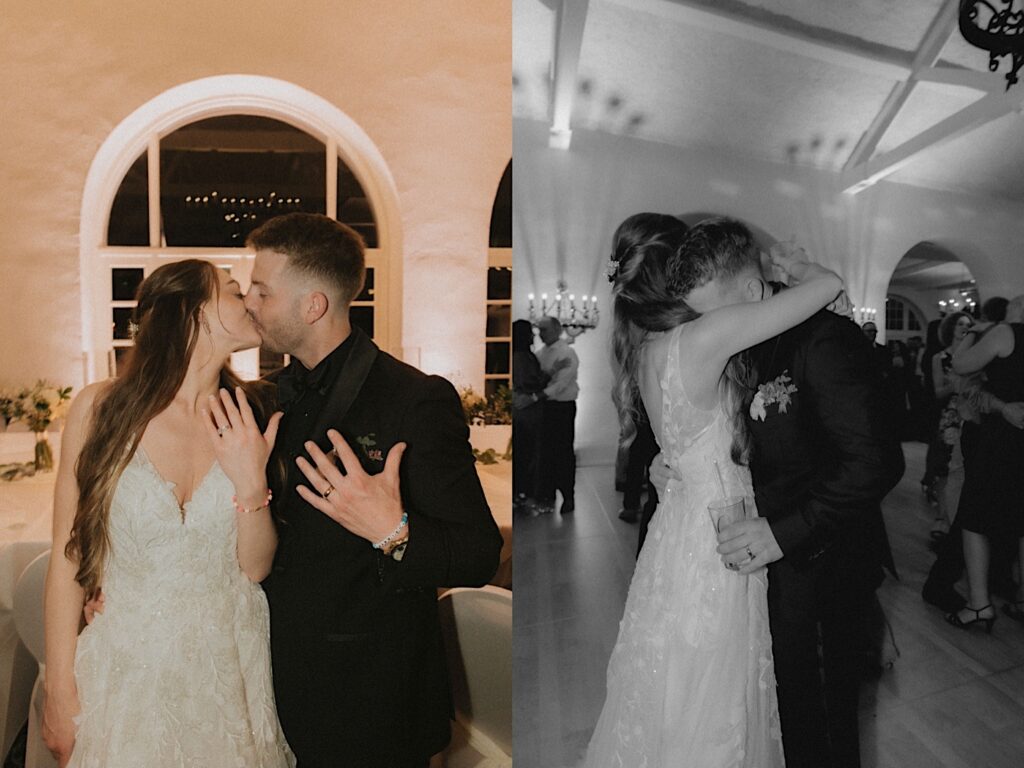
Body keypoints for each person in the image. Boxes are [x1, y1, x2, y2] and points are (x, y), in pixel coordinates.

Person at [583, 215, 845, 767]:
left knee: (672, 679)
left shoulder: (646, 348)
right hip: (720, 537)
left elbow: (680, 439)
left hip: (675, 530)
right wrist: (799, 267)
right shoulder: (704, 337)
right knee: (716, 688)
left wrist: (661, 465)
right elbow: (827, 289)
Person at [243, 213, 503, 767]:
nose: (249, 303)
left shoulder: (414, 398)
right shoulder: (259, 399)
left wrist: (391, 530)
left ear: (312, 305)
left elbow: (479, 552)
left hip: (370, 702)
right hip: (264, 690)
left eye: (262, 291)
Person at [43, 260, 295, 766]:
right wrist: (59, 688)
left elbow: (255, 568)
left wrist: (251, 483)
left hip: (228, 669)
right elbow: (69, 558)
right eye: (231, 290)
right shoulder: (101, 410)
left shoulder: (253, 411)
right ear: (191, 312)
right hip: (126, 669)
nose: (247, 300)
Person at [947, 295, 1024, 631]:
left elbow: (960, 365)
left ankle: (979, 605)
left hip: (1004, 438)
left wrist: (970, 335)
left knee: (974, 517)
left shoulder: (1008, 333)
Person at [534, 316, 579, 514]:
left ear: (557, 330)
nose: (540, 333)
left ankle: (568, 497)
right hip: (544, 409)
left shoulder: (567, 352)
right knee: (546, 453)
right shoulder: (538, 354)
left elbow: (560, 384)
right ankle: (548, 494)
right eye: (539, 330)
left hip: (562, 408)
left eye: (544, 329)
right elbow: (537, 380)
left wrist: (537, 395)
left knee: (564, 453)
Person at [512, 318, 547, 511]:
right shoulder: (522, 356)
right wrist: (547, 376)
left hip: (525, 412)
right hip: (528, 413)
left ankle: (522, 495)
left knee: (525, 453)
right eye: (531, 333)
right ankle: (525, 496)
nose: (534, 336)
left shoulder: (521, 355)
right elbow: (529, 382)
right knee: (529, 454)